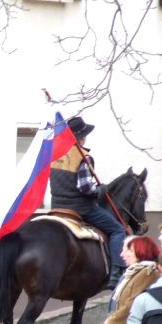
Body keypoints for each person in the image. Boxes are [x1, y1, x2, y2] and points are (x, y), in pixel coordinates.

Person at [50, 116, 127, 290]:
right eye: (84, 134)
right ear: (81, 137)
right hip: (81, 208)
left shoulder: (55, 155)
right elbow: (85, 188)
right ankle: (115, 274)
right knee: (118, 230)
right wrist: (101, 190)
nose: (86, 137)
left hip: (57, 207)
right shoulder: (84, 157)